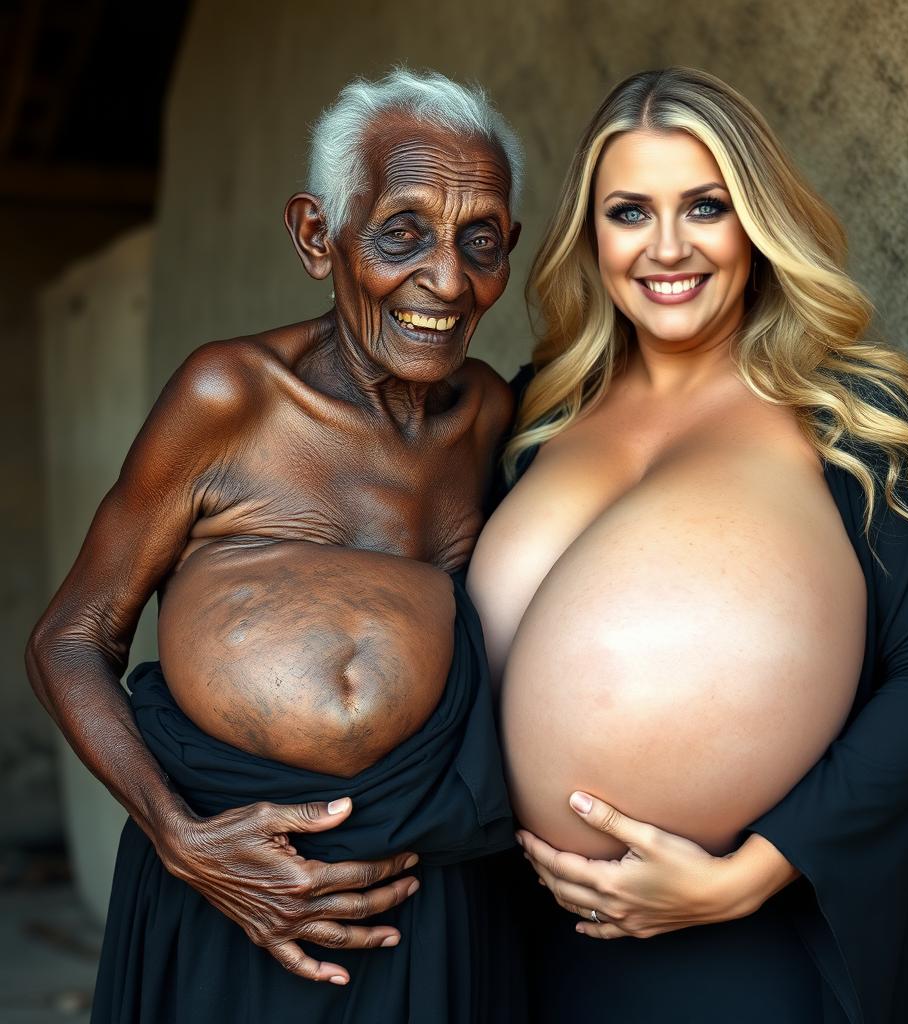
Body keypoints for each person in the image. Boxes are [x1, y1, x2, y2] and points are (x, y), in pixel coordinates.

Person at [468, 67, 908, 1023]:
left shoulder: (844, 415)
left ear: (754, 220)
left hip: (757, 945)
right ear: (592, 236)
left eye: (704, 206)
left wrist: (745, 878)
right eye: (630, 212)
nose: (667, 247)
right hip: (527, 944)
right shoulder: (534, 413)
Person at [27, 69, 526, 1023]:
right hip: (227, 878)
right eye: (402, 233)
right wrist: (180, 838)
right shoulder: (230, 397)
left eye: (482, 241)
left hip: (430, 885)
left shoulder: (488, 415)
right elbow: (70, 638)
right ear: (316, 236)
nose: (449, 280)